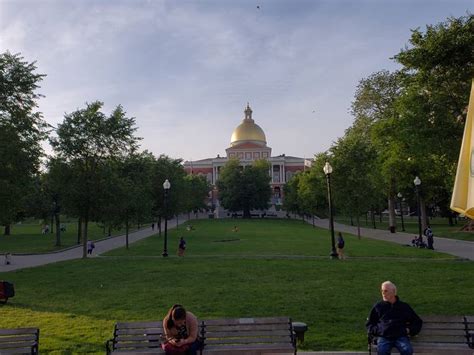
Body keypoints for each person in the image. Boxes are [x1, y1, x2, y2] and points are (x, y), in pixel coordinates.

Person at [366, 281, 422, 355]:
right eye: (382, 291)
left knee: (407, 351)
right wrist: (380, 330)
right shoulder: (378, 307)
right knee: (382, 352)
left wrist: (409, 330)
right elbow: (370, 324)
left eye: (386, 291)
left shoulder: (403, 307)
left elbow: (417, 321)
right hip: (384, 337)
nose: (383, 293)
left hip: (400, 337)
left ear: (393, 292)